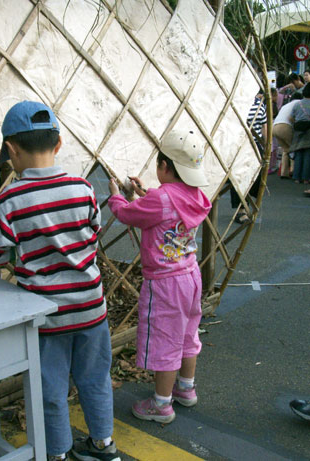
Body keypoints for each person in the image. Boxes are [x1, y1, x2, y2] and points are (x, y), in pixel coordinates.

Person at [0, 101, 120, 461]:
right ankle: (104, 445)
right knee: (95, 379)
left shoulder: (9, 201)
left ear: (11, 150)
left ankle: (57, 454)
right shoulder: (83, 188)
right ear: (58, 145)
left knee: (50, 389)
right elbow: (93, 233)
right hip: (91, 308)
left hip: (47, 317)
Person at [108, 130, 212, 424]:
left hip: (165, 283)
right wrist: (146, 194)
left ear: (164, 166)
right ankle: (186, 389)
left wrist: (116, 196)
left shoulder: (161, 199)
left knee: (166, 340)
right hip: (190, 276)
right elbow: (166, 207)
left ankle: (161, 405)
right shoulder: (196, 194)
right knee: (188, 334)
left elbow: (128, 214)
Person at [231, 89, 267, 223]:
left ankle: (249, 204)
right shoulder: (237, 100)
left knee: (256, 177)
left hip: (256, 145)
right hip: (239, 145)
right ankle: (240, 210)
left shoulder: (260, 103)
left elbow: (264, 125)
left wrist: (266, 144)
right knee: (239, 177)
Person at [272, 92, 303, 178]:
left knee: (286, 150)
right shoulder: (299, 103)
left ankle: (284, 173)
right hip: (285, 127)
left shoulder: (286, 105)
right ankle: (293, 170)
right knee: (294, 148)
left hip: (275, 127)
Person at [289, 82, 310, 187]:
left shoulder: (298, 104)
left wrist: (297, 123)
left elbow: (290, 117)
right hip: (309, 132)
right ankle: (306, 179)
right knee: (307, 155)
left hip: (298, 131)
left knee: (298, 154)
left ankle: (296, 177)